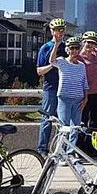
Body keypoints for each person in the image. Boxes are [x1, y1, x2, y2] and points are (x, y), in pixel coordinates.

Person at [49, 36, 89, 151]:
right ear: (68, 50)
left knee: (75, 128)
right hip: (64, 98)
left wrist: (85, 98)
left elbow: (84, 82)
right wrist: (56, 44)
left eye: (77, 48)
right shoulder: (62, 61)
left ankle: (70, 152)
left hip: (78, 100)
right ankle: (60, 152)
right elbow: (51, 61)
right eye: (72, 48)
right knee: (64, 127)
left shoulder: (82, 66)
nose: (74, 51)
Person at [36, 18, 68, 157]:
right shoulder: (46, 47)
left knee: (63, 121)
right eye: (56, 30)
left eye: (62, 30)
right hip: (50, 88)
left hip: (64, 87)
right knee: (47, 119)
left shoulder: (66, 47)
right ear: (51, 31)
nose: (59, 33)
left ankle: (61, 150)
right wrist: (53, 65)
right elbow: (39, 71)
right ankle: (42, 149)